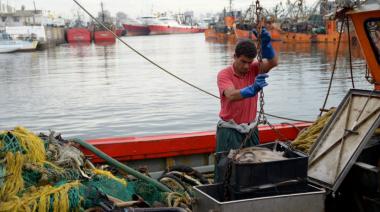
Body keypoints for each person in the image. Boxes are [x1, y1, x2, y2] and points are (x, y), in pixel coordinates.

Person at [215, 28, 278, 181]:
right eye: (243, 61)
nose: (246, 66)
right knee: (226, 171)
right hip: (230, 130)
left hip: (251, 129)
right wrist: (252, 89)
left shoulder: (253, 69)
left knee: (254, 170)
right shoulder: (224, 74)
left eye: (249, 62)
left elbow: (273, 62)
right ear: (234, 56)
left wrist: (267, 45)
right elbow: (231, 95)